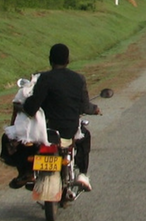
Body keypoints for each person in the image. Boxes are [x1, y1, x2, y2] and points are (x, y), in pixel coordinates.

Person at [9, 43, 98, 191]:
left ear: (50, 60)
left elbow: (31, 108)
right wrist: (94, 109)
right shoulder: (78, 79)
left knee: (22, 140)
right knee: (85, 136)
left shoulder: (44, 78)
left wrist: (22, 107)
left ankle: (27, 171)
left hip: (47, 131)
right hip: (69, 130)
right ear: (68, 60)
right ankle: (82, 174)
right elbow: (84, 107)